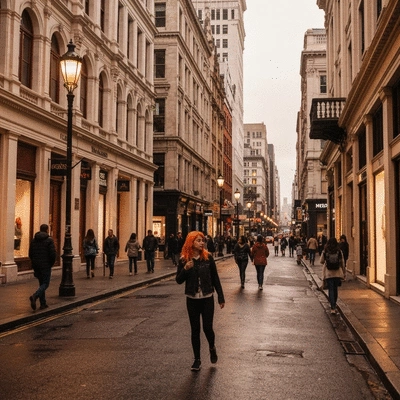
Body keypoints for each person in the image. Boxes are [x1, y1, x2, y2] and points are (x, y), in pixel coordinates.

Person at [176, 231, 225, 371]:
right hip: (192, 299)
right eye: (198, 240)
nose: (201, 243)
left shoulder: (208, 258)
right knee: (195, 330)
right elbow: (178, 280)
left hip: (207, 298)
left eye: (202, 240)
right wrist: (185, 269)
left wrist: (221, 297)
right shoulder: (184, 260)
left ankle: (212, 347)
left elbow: (215, 278)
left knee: (207, 328)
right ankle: (197, 359)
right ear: (191, 242)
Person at [28, 224, 56, 310]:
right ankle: (35, 296)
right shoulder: (49, 240)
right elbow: (52, 254)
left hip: (36, 265)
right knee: (45, 283)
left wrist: (34, 262)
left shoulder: (33, 240)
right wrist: (51, 263)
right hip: (45, 265)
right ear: (47, 230)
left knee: (41, 283)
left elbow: (30, 253)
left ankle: (43, 303)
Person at [320, 237, 346, 314]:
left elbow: (321, 261)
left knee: (330, 289)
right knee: (335, 289)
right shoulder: (339, 251)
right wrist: (344, 273)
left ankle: (332, 307)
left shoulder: (325, 250)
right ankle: (334, 303)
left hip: (329, 273)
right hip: (337, 273)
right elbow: (342, 263)